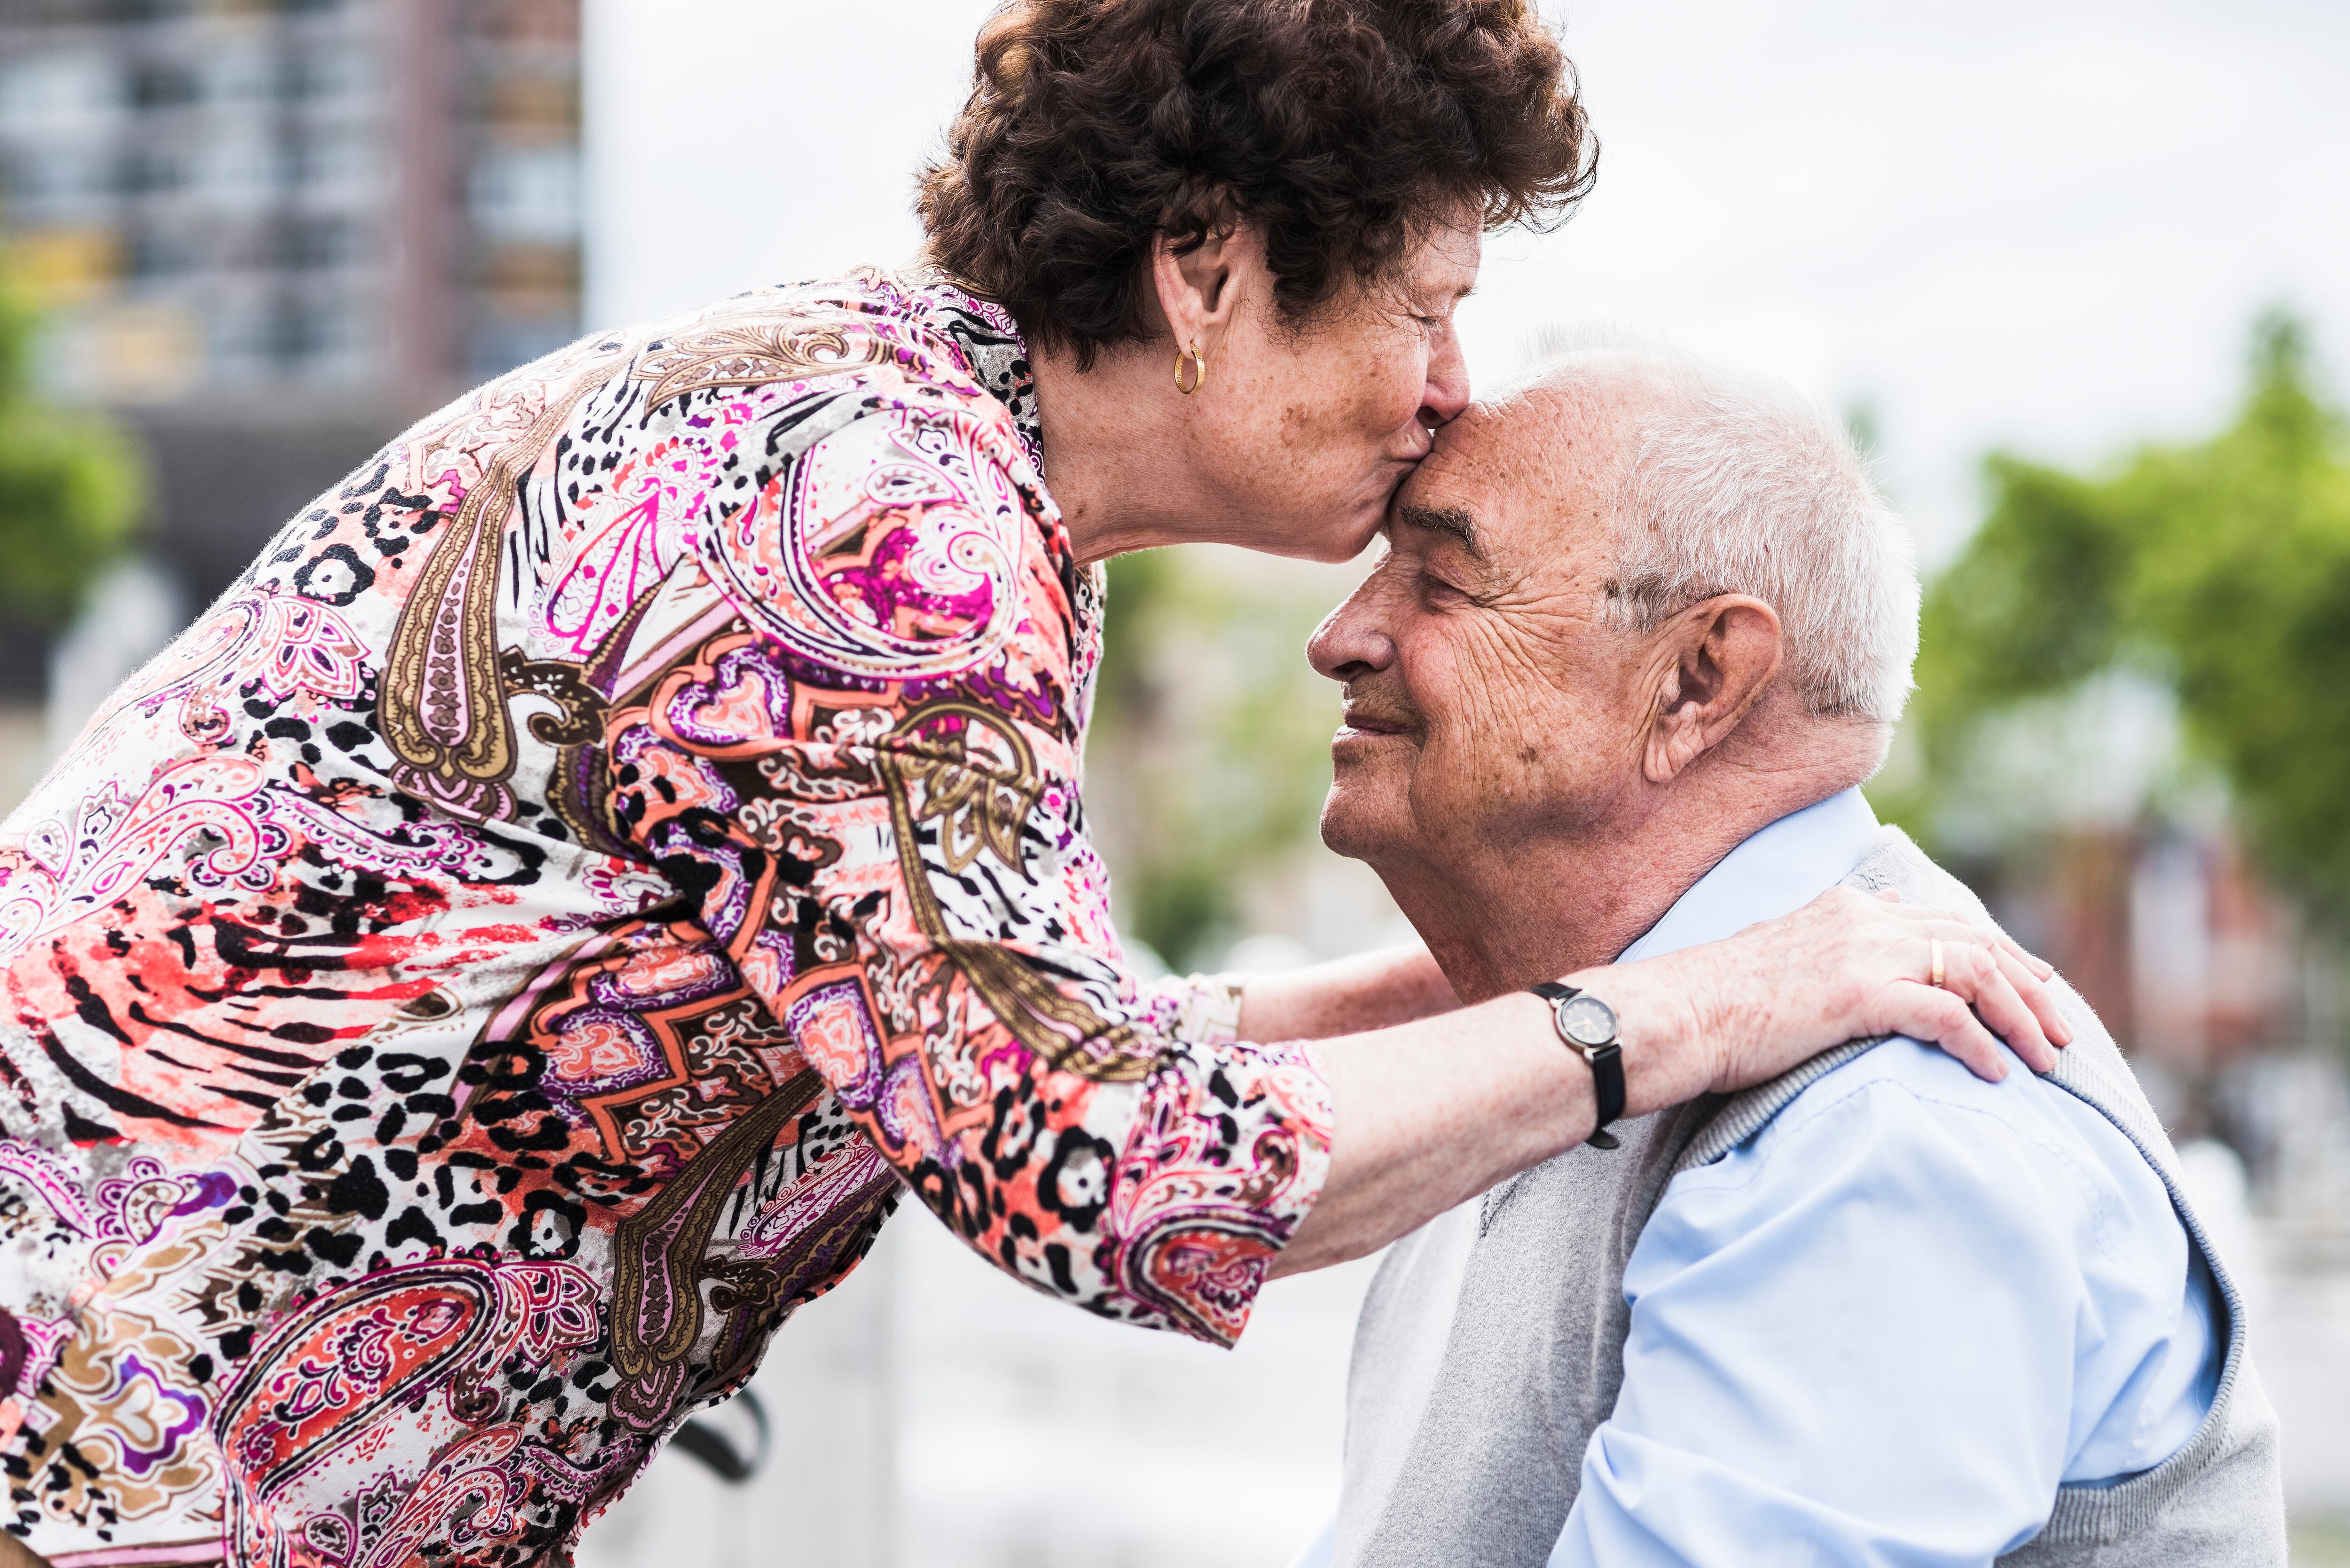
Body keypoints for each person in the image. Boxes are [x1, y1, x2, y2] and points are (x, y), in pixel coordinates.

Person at [0, 5, 2066, 1565]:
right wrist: (1708, 1004)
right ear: (1207, 272)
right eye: (1428, 299)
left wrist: (1578, 963)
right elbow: (1116, 1171)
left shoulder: (905, 441)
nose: (1456, 382)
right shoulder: (877, 536)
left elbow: (1022, 1048)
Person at [1294, 339, 2284, 1567]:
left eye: (1439, 579)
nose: (1338, 636)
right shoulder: (1565, 1044)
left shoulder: (1880, 1131)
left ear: (1700, 679)